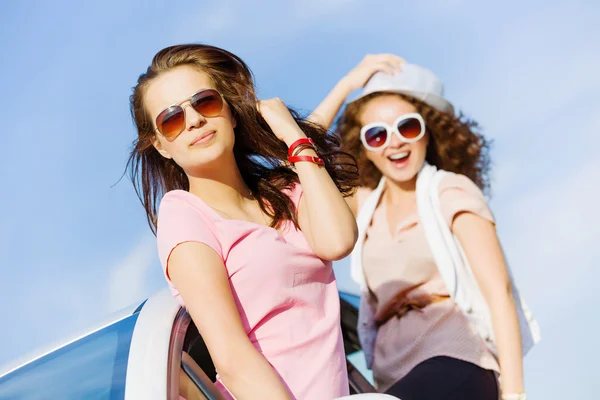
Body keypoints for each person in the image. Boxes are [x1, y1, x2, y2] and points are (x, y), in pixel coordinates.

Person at [126, 43, 389, 400]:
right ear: (160, 145)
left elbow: (338, 240)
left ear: (231, 113)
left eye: (205, 102)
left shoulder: (287, 194)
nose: (194, 120)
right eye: (171, 119)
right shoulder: (185, 216)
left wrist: (293, 134)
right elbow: (232, 359)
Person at [309, 55, 540, 400]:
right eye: (376, 134)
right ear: (364, 147)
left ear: (428, 133)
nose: (394, 141)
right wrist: (347, 84)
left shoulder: (450, 191)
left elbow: (499, 294)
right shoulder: (365, 203)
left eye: (408, 127)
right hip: (392, 372)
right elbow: (297, 158)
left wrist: (515, 392)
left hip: (457, 355)